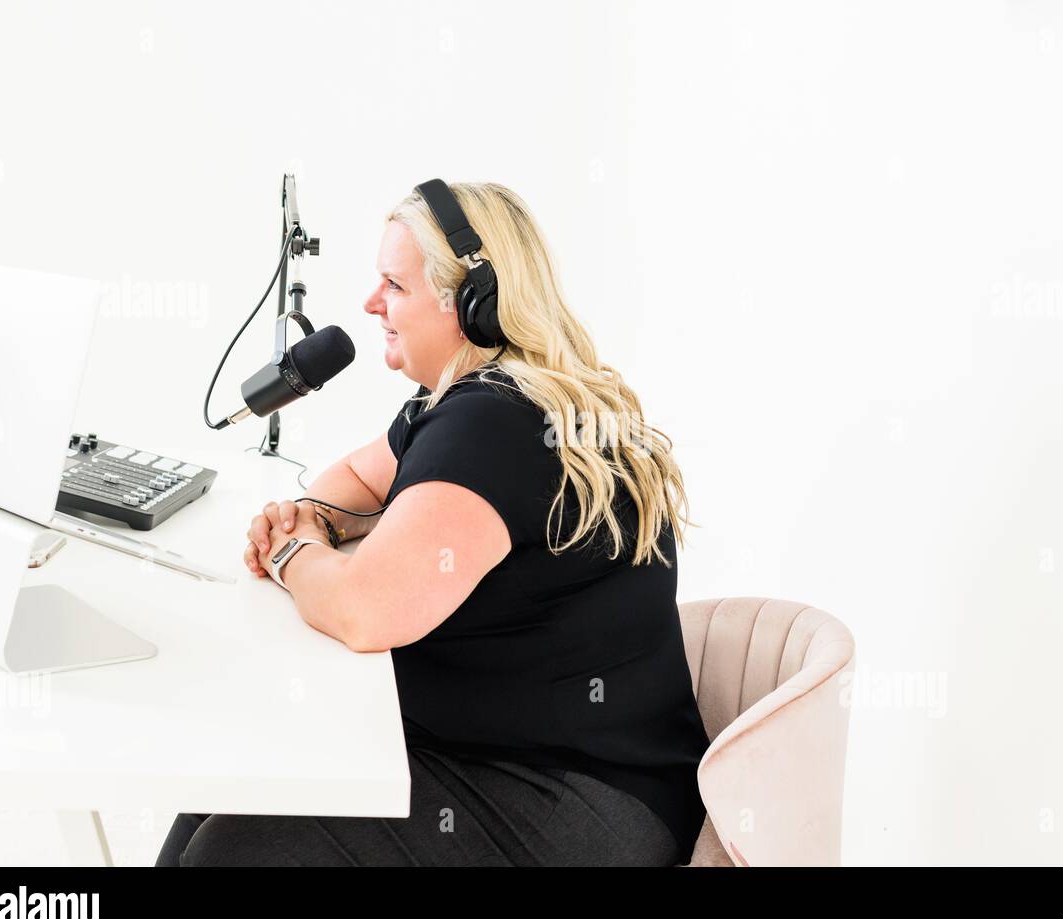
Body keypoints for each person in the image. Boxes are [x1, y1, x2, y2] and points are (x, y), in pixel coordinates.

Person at [156, 180, 709, 866]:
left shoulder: (494, 422)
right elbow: (357, 480)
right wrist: (319, 522)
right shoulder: (464, 403)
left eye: (394, 284)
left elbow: (365, 611)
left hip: (577, 804)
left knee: (237, 852)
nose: (370, 303)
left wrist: (293, 549)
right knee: (233, 783)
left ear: (472, 303)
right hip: (517, 760)